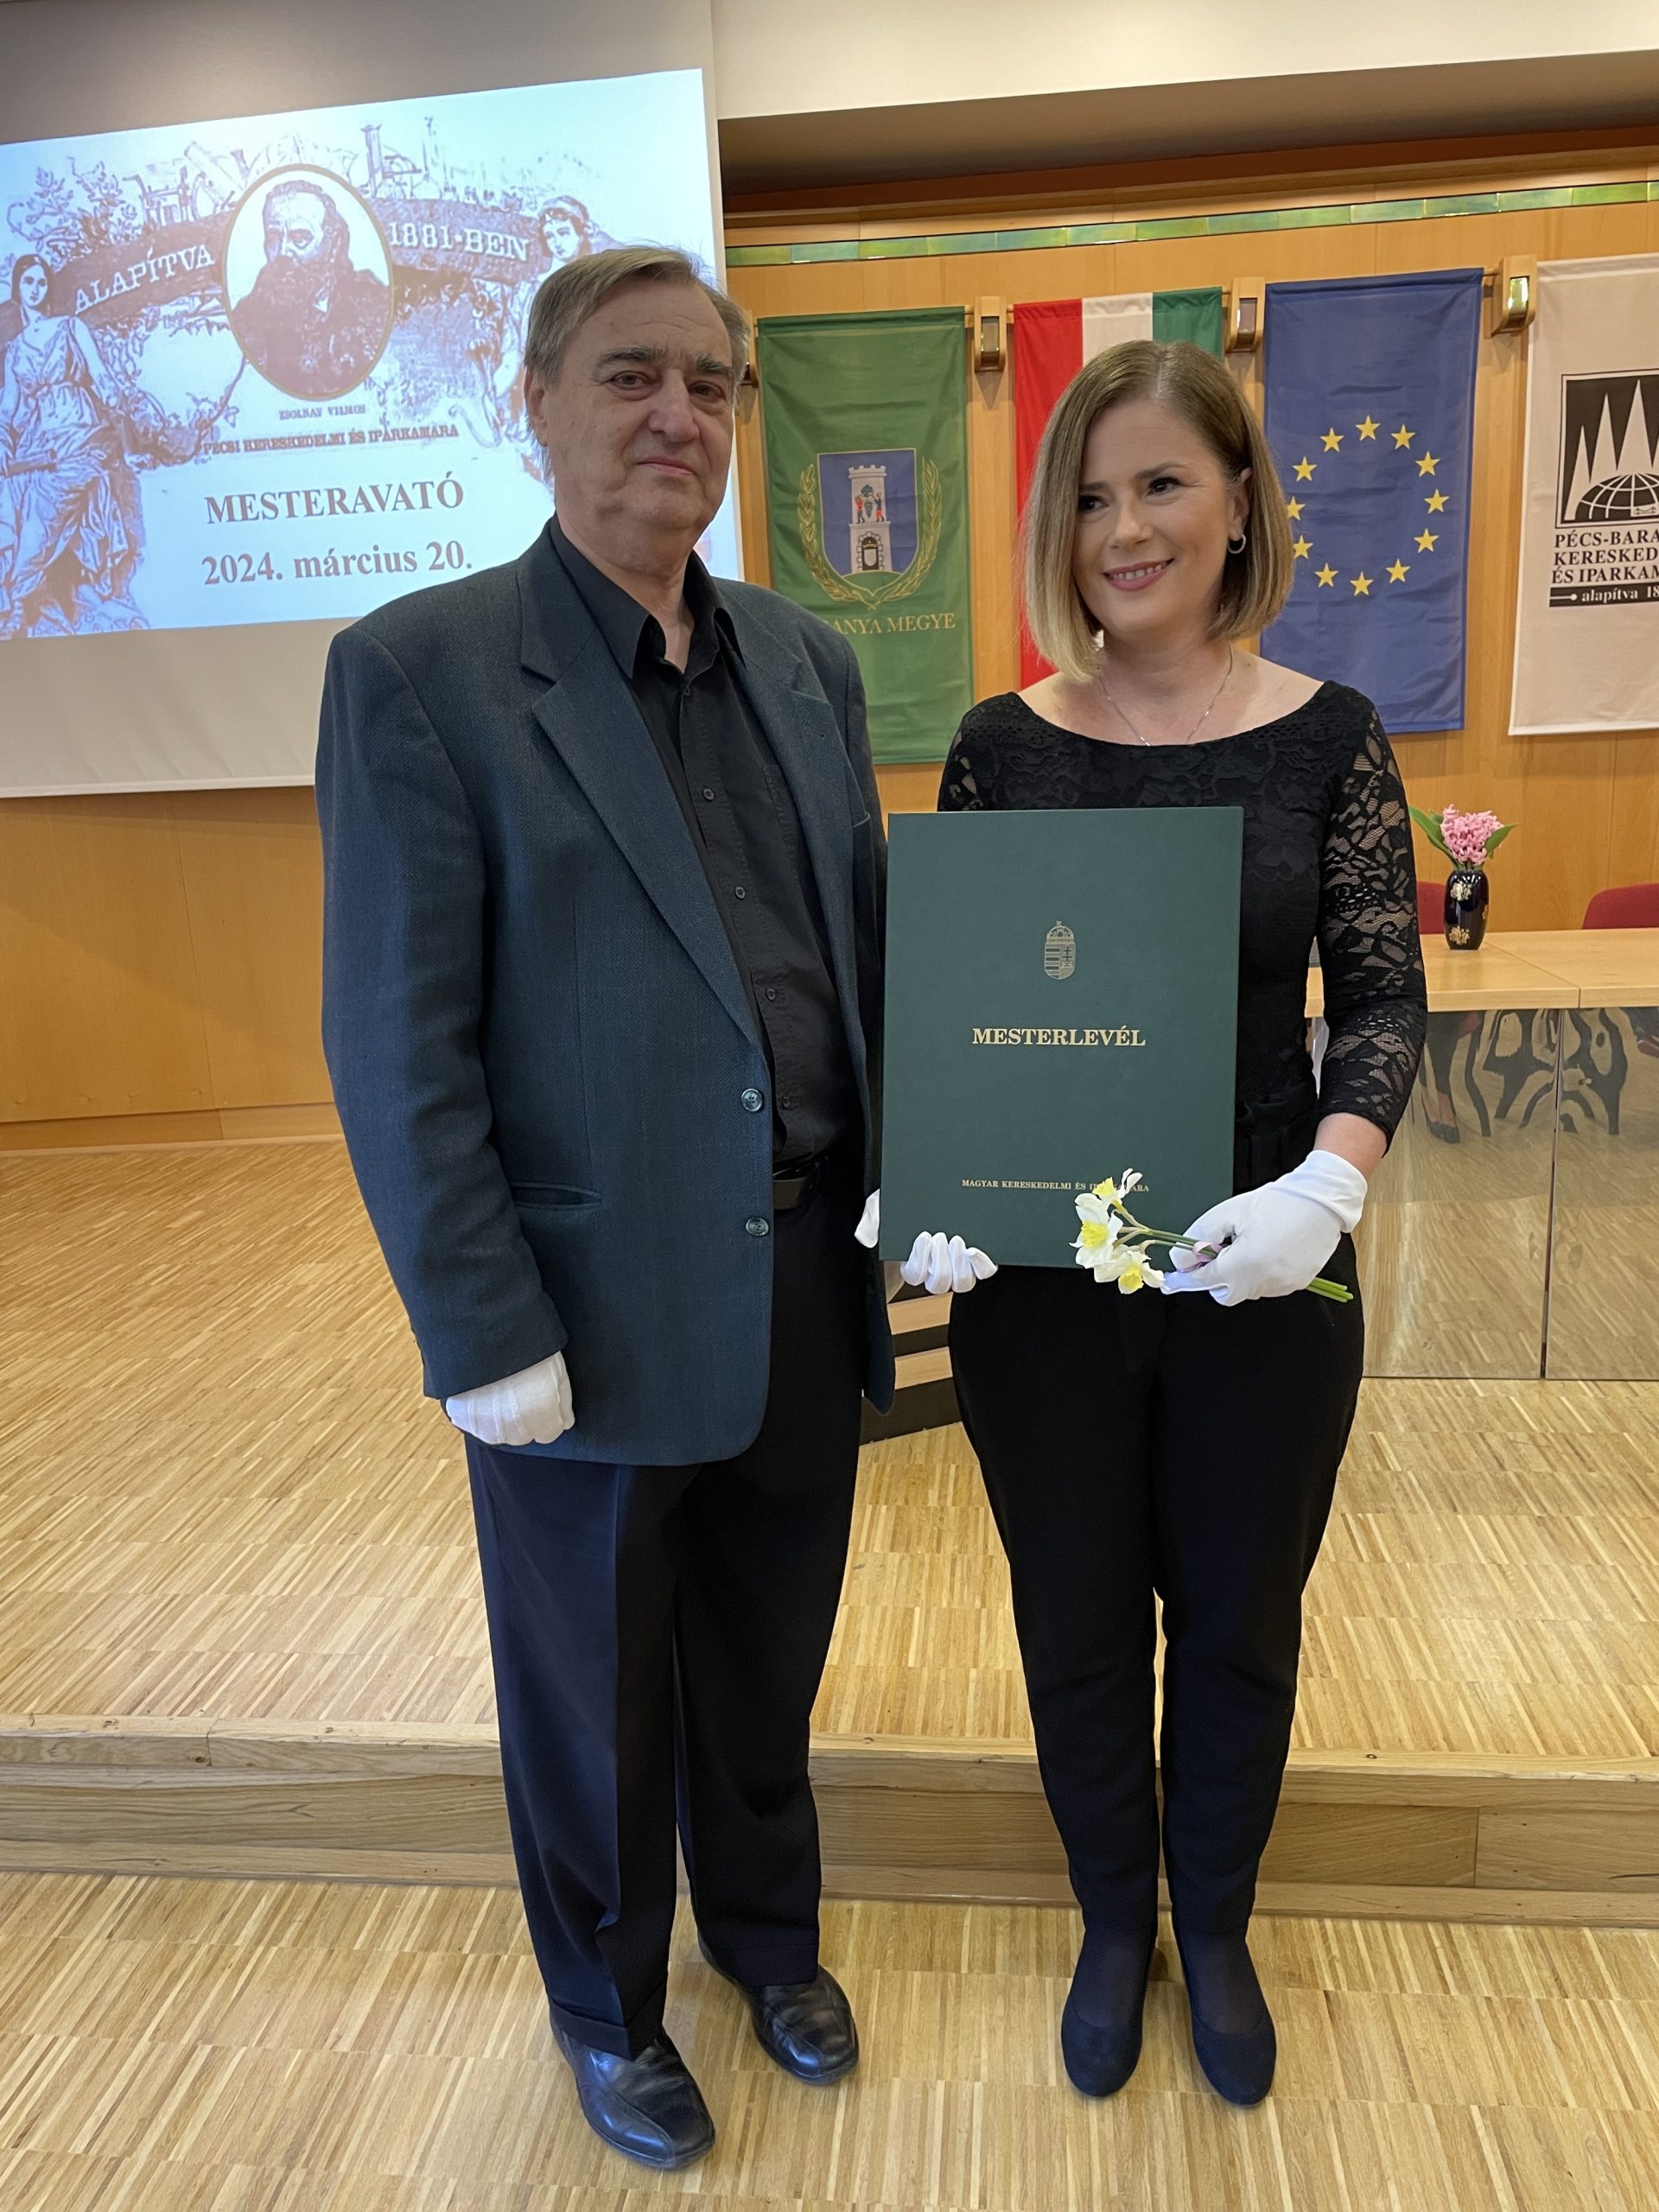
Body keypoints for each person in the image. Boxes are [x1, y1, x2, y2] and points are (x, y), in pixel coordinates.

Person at [316, 245, 892, 2172]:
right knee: (594, 1701)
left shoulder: (806, 665)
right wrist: (482, 1329)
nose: (676, 415)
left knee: (768, 1653)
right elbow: (399, 1043)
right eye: (632, 374)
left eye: (710, 384)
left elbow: (861, 960)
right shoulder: (422, 672)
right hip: (584, 1308)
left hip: (803, 1269)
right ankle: (609, 2011)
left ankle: (769, 1942)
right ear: (539, 401)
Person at [869, 340, 1426, 2106]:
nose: (1125, 528)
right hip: (1041, 1286)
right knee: (1077, 1614)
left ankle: (1220, 1918)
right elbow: (953, 999)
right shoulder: (998, 744)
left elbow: (1383, 998)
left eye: (1163, 483)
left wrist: (1330, 1183)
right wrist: (934, 1177)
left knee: (1242, 1615)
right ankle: (1117, 1917)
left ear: (1240, 501)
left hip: (1264, 1263)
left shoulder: (1334, 736)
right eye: (1093, 497)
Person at [0, 253, 144, 637]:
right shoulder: (16, 350)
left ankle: (17, 594)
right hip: (39, 444)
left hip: (80, 433)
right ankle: (27, 602)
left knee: (43, 514)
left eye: (41, 282)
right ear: (17, 287)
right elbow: (9, 407)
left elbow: (100, 375)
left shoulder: (70, 327)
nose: (35, 289)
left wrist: (119, 409)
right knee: (12, 499)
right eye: (28, 282)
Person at [230, 179, 390, 397]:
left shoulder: (374, 308)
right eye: (274, 238)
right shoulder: (246, 319)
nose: (284, 252)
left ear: (333, 243)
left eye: (300, 238)